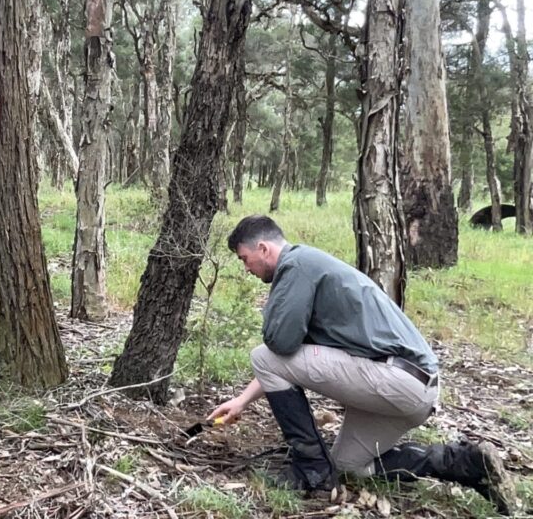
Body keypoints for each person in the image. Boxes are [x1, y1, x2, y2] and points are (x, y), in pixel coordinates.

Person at [208, 215, 517, 515]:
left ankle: (310, 470)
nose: (246, 267)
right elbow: (284, 362)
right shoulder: (310, 266)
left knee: (262, 354)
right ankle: (462, 463)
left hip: (395, 378)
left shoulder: (297, 266)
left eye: (244, 258)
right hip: (415, 389)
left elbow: (279, 346)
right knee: (350, 466)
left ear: (263, 248)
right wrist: (242, 401)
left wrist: (272, 313)